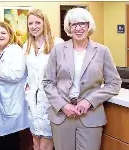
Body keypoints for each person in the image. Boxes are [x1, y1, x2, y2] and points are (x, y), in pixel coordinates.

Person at [42, 7, 122, 150]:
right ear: (69, 27)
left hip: (90, 116)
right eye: (74, 24)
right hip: (62, 116)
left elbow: (114, 83)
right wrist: (63, 105)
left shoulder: (102, 51)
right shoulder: (58, 50)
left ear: (89, 25)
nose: (78, 28)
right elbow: (48, 82)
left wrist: (89, 101)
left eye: (82, 24)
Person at [23, 9, 64, 150]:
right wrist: (27, 88)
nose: (34, 26)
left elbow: (64, 73)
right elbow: (25, 72)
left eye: (37, 22)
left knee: (46, 142)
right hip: (32, 99)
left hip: (50, 99)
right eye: (30, 23)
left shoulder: (57, 44)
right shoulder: (26, 45)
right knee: (35, 140)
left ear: (44, 23)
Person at [0, 22, 29, 150]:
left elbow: (16, 74)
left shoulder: (15, 51)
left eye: (3, 33)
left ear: (10, 34)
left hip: (9, 102)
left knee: (10, 143)